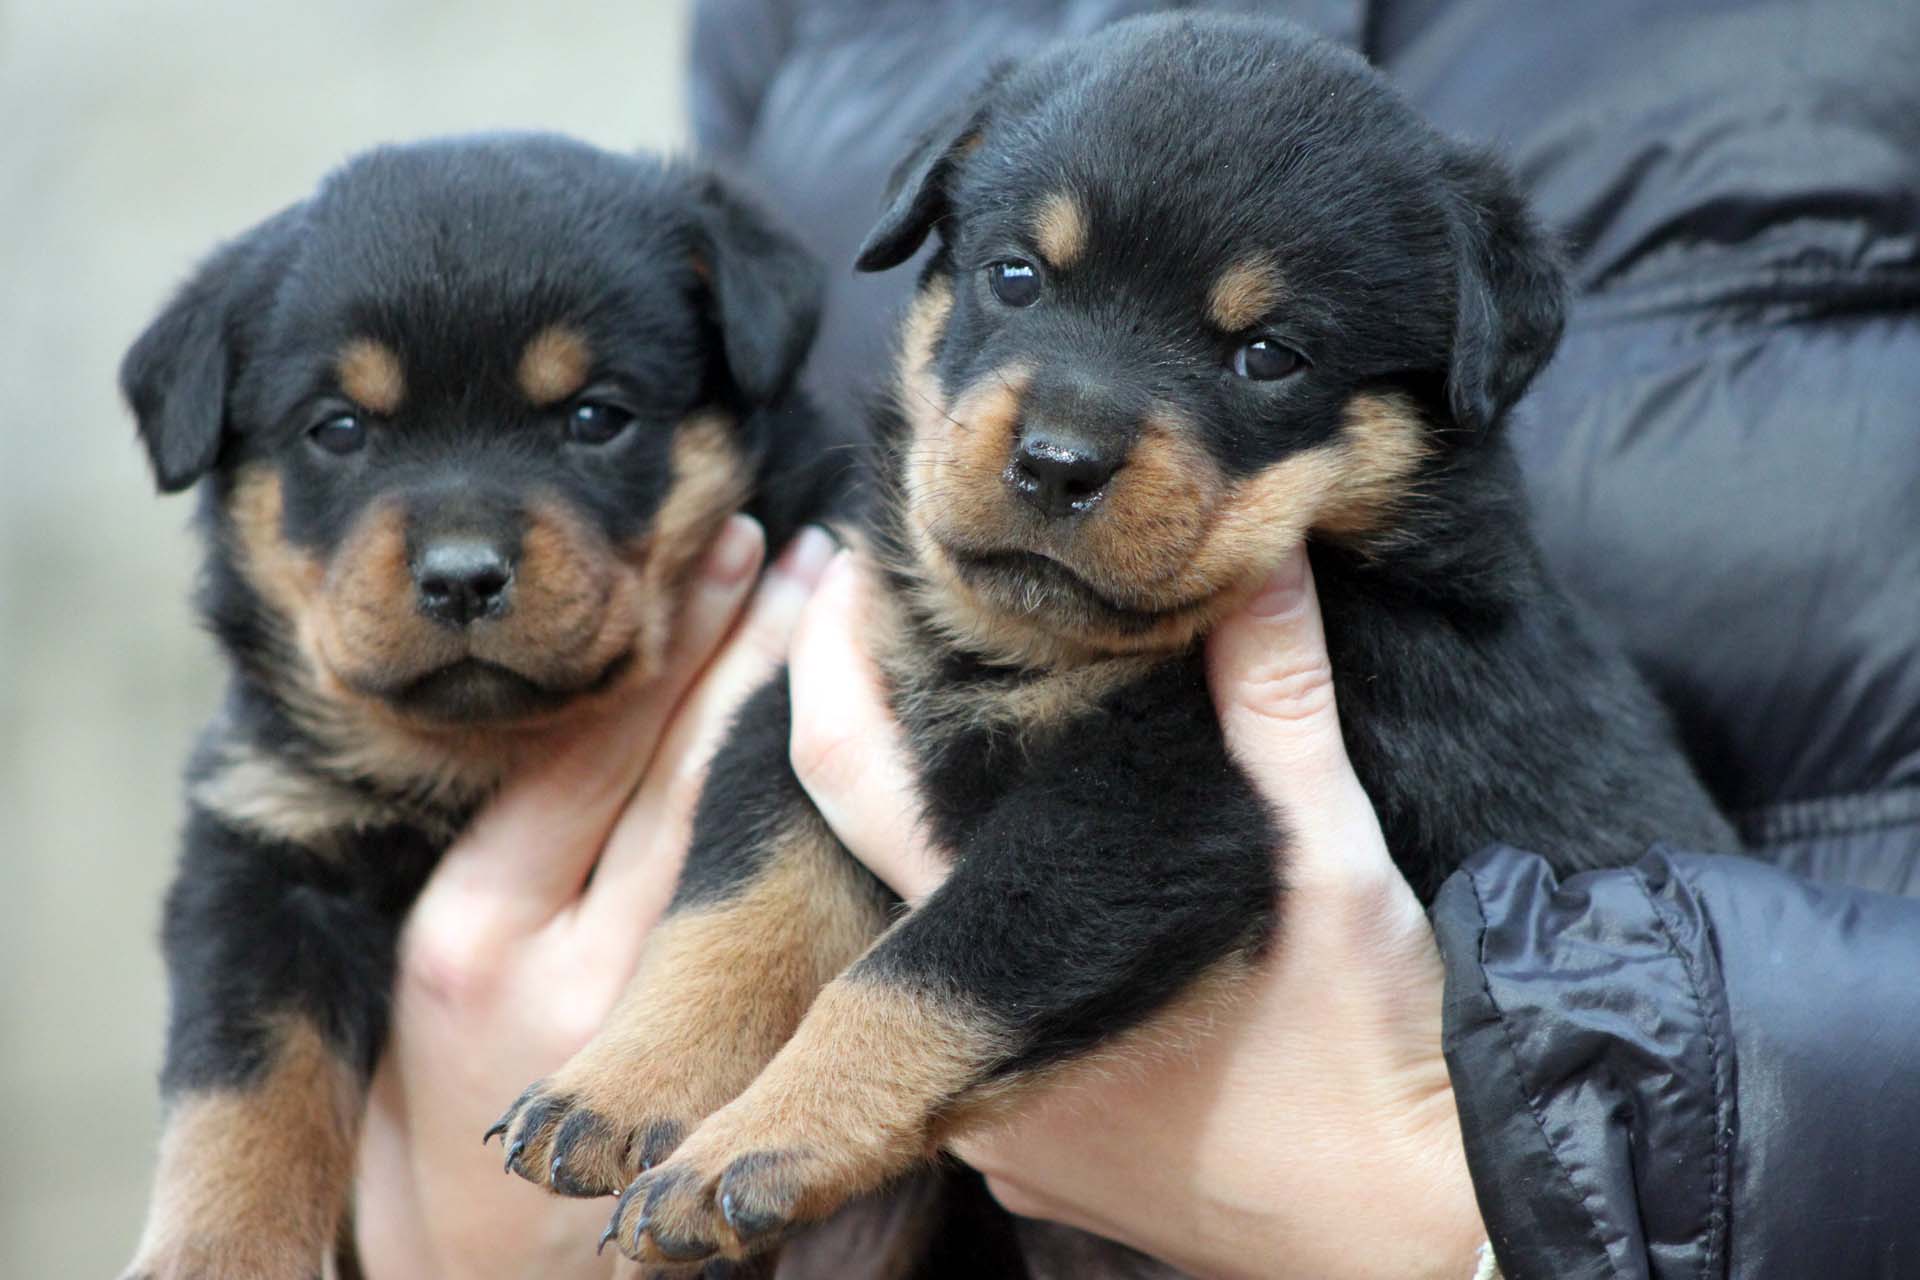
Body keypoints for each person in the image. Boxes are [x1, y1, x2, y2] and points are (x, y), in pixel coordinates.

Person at [355, 2, 1920, 1276]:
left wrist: (1454, 1240)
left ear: (1448, 392)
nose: (1066, 437)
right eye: (1017, 282)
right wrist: (622, 1075)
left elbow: (1139, 852)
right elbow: (805, 776)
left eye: (1264, 357)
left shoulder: (1386, 631)